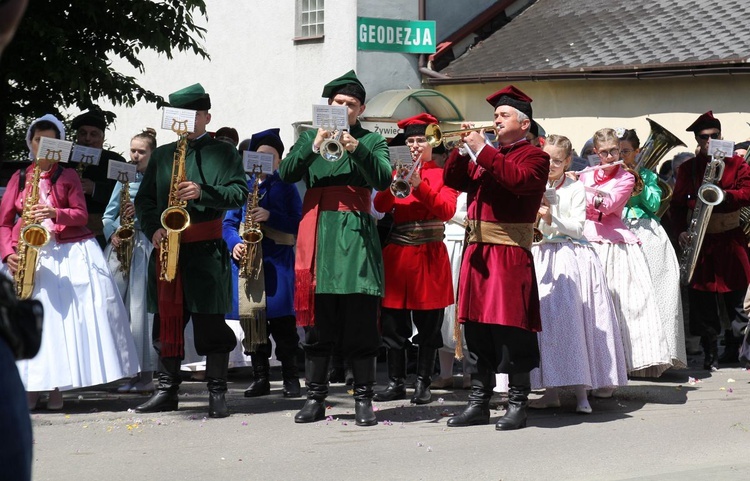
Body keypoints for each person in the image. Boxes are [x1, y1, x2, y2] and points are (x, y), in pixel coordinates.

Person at [0, 114, 138, 410]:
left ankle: (56, 388)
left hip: (66, 253)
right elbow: (4, 221)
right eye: (39, 140)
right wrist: (7, 252)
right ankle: (30, 386)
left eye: (51, 141)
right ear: (31, 143)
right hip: (26, 253)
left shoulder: (69, 176)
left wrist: (54, 214)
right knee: (29, 323)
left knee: (60, 325)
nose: (44, 146)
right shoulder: (20, 177)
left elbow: (79, 213)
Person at [279, 70, 391, 426]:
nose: (343, 108)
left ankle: (363, 398)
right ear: (328, 105)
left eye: (351, 105)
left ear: (360, 110)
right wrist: (315, 145)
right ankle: (315, 397)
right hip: (318, 232)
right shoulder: (309, 137)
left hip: (355, 232)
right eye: (338, 103)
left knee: (359, 319)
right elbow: (286, 173)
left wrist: (354, 147)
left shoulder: (371, 140)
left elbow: (383, 178)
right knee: (318, 321)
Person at [133, 84, 248, 418]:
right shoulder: (162, 154)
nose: (186, 121)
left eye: (194, 115)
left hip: (207, 250)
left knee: (211, 324)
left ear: (206, 116)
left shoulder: (223, 153)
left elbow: (238, 193)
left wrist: (202, 191)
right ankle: (167, 390)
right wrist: (153, 228)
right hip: (167, 248)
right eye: (180, 115)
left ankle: (217, 392)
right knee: (165, 323)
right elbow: (146, 201)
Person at [442, 85, 549, 431]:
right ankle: (479, 402)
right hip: (478, 252)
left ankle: (518, 402)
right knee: (476, 328)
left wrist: (482, 149)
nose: (495, 121)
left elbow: (516, 181)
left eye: (503, 115)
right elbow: (452, 179)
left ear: (524, 123)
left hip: (507, 253)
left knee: (511, 327)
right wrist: (462, 151)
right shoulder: (485, 155)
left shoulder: (535, 157)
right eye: (495, 116)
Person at [528, 134, 628, 414]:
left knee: (574, 323)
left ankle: (582, 393)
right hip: (542, 253)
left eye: (558, 161)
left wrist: (551, 217)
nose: (551, 166)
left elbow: (577, 228)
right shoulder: (535, 184)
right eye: (547, 160)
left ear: (568, 161)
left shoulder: (574, 188)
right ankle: (551, 391)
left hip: (569, 255)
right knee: (545, 324)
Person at [371, 113, 458, 405]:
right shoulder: (398, 172)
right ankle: (396, 382)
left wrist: (420, 184)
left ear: (432, 142)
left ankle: (423, 383)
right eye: (410, 140)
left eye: (421, 139)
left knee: (429, 326)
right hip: (399, 255)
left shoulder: (444, 173)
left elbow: (446, 210)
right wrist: (393, 178)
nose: (415, 145)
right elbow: (380, 205)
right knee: (394, 326)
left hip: (430, 254)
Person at [580, 128, 671, 382]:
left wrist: (581, 192)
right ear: (596, 153)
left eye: (615, 152)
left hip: (616, 244)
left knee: (626, 304)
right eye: (605, 152)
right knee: (593, 306)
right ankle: (594, 364)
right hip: (588, 241)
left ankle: (628, 363)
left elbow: (608, 208)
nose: (610, 157)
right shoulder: (587, 175)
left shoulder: (627, 177)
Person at [223, 129, 302, 398]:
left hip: (278, 263)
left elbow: (298, 221)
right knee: (253, 324)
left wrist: (271, 215)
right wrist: (234, 243)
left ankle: (291, 378)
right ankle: (260, 377)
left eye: (271, 157)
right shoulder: (242, 187)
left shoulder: (286, 186)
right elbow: (228, 223)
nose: (264, 162)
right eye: (259, 157)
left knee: (283, 325)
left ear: (279, 161)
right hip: (248, 264)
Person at [671, 111, 750, 370]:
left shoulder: (738, 165)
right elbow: (678, 204)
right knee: (703, 300)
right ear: (697, 139)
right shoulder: (688, 168)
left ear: (721, 136)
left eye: (714, 136)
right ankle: (709, 353)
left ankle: (736, 347)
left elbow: (748, 193)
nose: (709, 141)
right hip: (701, 242)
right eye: (704, 137)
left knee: (736, 298)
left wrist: (725, 196)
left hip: (730, 240)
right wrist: (681, 230)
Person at [620, 128, 687, 375]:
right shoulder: (609, 174)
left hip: (647, 235)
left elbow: (655, 205)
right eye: (619, 151)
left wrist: (638, 180)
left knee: (657, 291)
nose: (622, 155)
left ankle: (658, 357)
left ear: (637, 152)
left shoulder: (648, 175)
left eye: (626, 151)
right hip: (619, 233)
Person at [102, 128, 159, 393]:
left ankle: (146, 375)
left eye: (141, 151)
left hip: (143, 243)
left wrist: (142, 210)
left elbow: (163, 214)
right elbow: (107, 214)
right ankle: (125, 371)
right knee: (114, 309)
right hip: (121, 246)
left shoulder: (159, 179)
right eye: (132, 150)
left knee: (140, 312)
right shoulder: (122, 177)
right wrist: (112, 231)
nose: (135, 155)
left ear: (152, 154)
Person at [431, 145, 472, 390]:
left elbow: (465, 215)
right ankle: (445, 373)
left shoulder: (472, 183)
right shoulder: (444, 181)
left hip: (465, 242)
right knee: (445, 311)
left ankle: (469, 373)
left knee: (463, 309)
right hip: (446, 242)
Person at [70, 107, 124, 248]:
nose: (87, 139)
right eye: (83, 133)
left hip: (102, 232)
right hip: (69, 230)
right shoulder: (65, 160)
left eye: (93, 134)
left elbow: (125, 195)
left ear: (102, 137)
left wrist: (95, 189)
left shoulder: (115, 160)